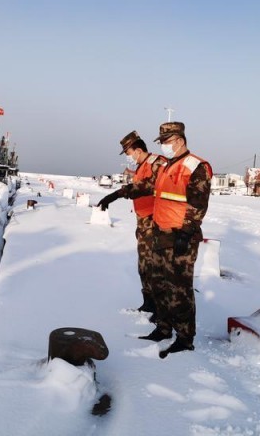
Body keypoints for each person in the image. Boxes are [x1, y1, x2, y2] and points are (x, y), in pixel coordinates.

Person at [99, 122, 212, 358]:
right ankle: (163, 328)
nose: (163, 146)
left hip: (181, 237)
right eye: (161, 142)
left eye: (167, 141)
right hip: (160, 233)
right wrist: (117, 194)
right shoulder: (166, 167)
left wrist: (186, 232)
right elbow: (146, 186)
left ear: (180, 140)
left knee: (179, 289)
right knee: (160, 283)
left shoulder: (195, 166)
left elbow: (198, 205)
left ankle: (184, 337)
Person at [98, 131, 165, 318]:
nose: (128, 157)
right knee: (143, 265)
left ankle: (161, 309)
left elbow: (148, 185)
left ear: (137, 150)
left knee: (155, 267)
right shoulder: (143, 165)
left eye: (128, 153)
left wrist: (118, 194)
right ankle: (149, 303)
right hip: (143, 221)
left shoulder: (157, 163)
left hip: (155, 220)